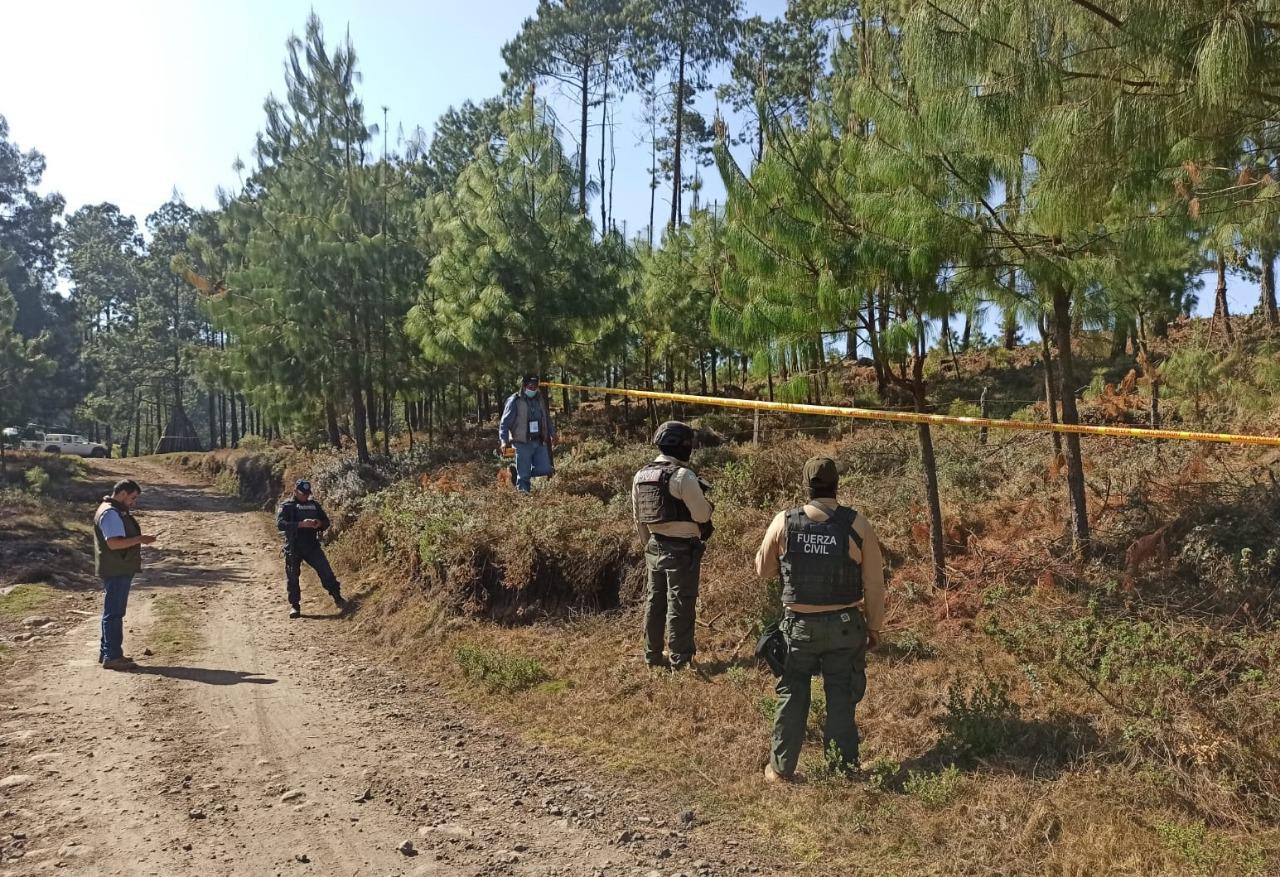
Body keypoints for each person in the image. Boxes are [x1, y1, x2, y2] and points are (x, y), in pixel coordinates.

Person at [754, 456, 886, 782]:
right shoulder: (857, 524)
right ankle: (843, 768)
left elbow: (763, 570)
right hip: (844, 626)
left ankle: (781, 769)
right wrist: (873, 626)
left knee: (792, 693)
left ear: (807, 485)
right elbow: (874, 582)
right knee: (841, 694)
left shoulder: (784, 521)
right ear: (836, 484)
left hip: (797, 628)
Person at [631, 421, 714, 670]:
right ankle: (680, 661)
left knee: (655, 604)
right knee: (681, 604)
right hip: (682, 550)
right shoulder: (682, 476)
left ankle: (653, 657)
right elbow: (701, 516)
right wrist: (708, 504)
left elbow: (639, 519)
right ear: (682, 446)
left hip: (654, 546)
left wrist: (650, 546)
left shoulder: (641, 475)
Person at [92, 479, 158, 671]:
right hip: (117, 569)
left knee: (111, 612)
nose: (133, 502)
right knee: (114, 613)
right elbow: (114, 543)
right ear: (122, 494)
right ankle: (112, 656)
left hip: (115, 567)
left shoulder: (109, 509)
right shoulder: (111, 513)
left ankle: (108, 652)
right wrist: (140, 539)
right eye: (132, 498)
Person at [277, 479, 347, 618]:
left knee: (325, 571)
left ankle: (338, 597)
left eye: (308, 494)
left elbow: (326, 522)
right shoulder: (287, 505)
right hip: (293, 546)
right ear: (295, 491)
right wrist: (300, 524)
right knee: (292, 578)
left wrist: (319, 523)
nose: (306, 496)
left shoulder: (314, 505)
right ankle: (295, 606)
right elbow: (280, 524)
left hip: (312, 545)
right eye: (303, 494)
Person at [499, 374, 556, 493]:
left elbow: (546, 418)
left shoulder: (540, 399)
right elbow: (504, 423)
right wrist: (503, 441)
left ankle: (516, 472)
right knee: (524, 476)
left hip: (539, 441)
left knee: (545, 469)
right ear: (524, 386)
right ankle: (524, 498)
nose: (533, 389)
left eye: (536, 386)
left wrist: (552, 433)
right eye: (531, 386)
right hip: (522, 443)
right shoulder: (515, 401)